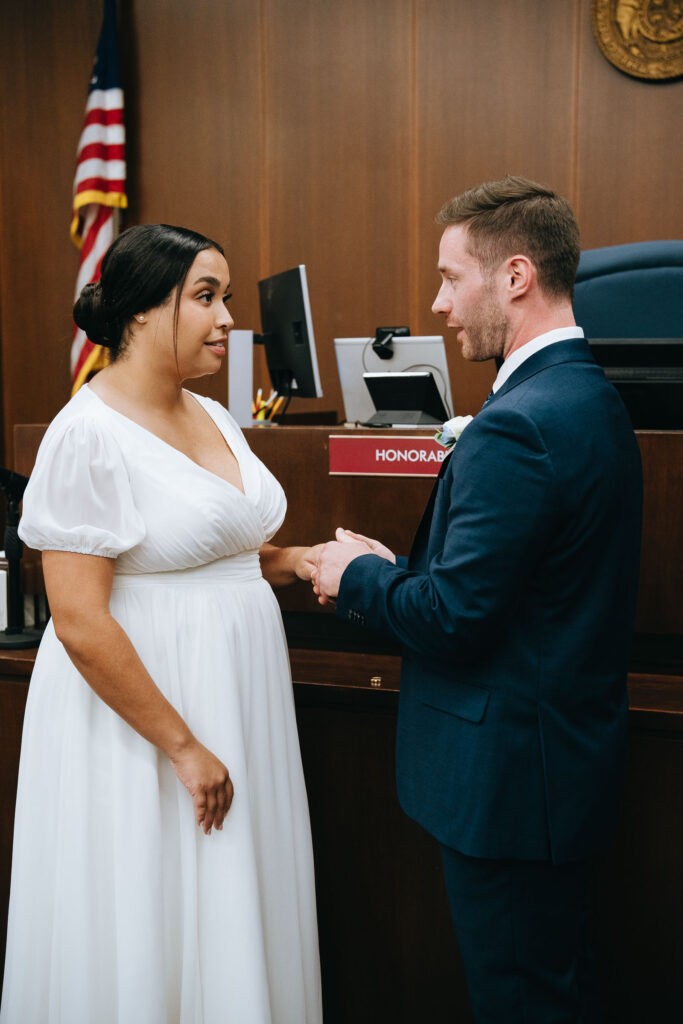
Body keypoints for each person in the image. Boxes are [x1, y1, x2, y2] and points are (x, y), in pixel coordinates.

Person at [312, 177, 642, 1022]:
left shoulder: (519, 422)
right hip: (557, 768)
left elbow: (454, 620)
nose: (437, 302)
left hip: (511, 788)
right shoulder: (589, 397)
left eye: (451, 278)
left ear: (516, 276)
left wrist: (354, 578)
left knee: (524, 1002)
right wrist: (404, 566)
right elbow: (520, 587)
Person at [0, 224, 322, 1024]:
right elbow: (77, 619)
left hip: (239, 701)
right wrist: (181, 746)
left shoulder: (214, 414)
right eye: (204, 298)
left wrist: (299, 561)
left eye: (227, 300)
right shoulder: (87, 434)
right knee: (153, 905)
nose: (224, 320)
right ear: (142, 311)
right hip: (144, 721)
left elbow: (216, 550)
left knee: (235, 893)